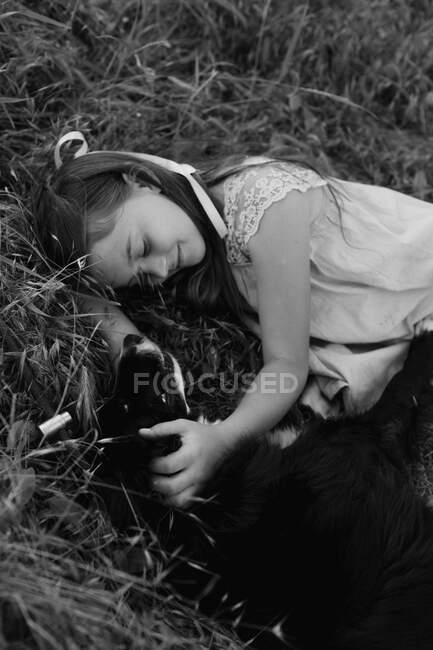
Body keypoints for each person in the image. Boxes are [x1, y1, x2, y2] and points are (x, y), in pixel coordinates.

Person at [34, 131, 433, 507]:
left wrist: (222, 438)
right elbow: (91, 299)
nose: (158, 269)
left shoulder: (266, 205)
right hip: (390, 320)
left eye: (143, 246)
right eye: (140, 278)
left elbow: (286, 366)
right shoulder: (196, 241)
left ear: (144, 181)